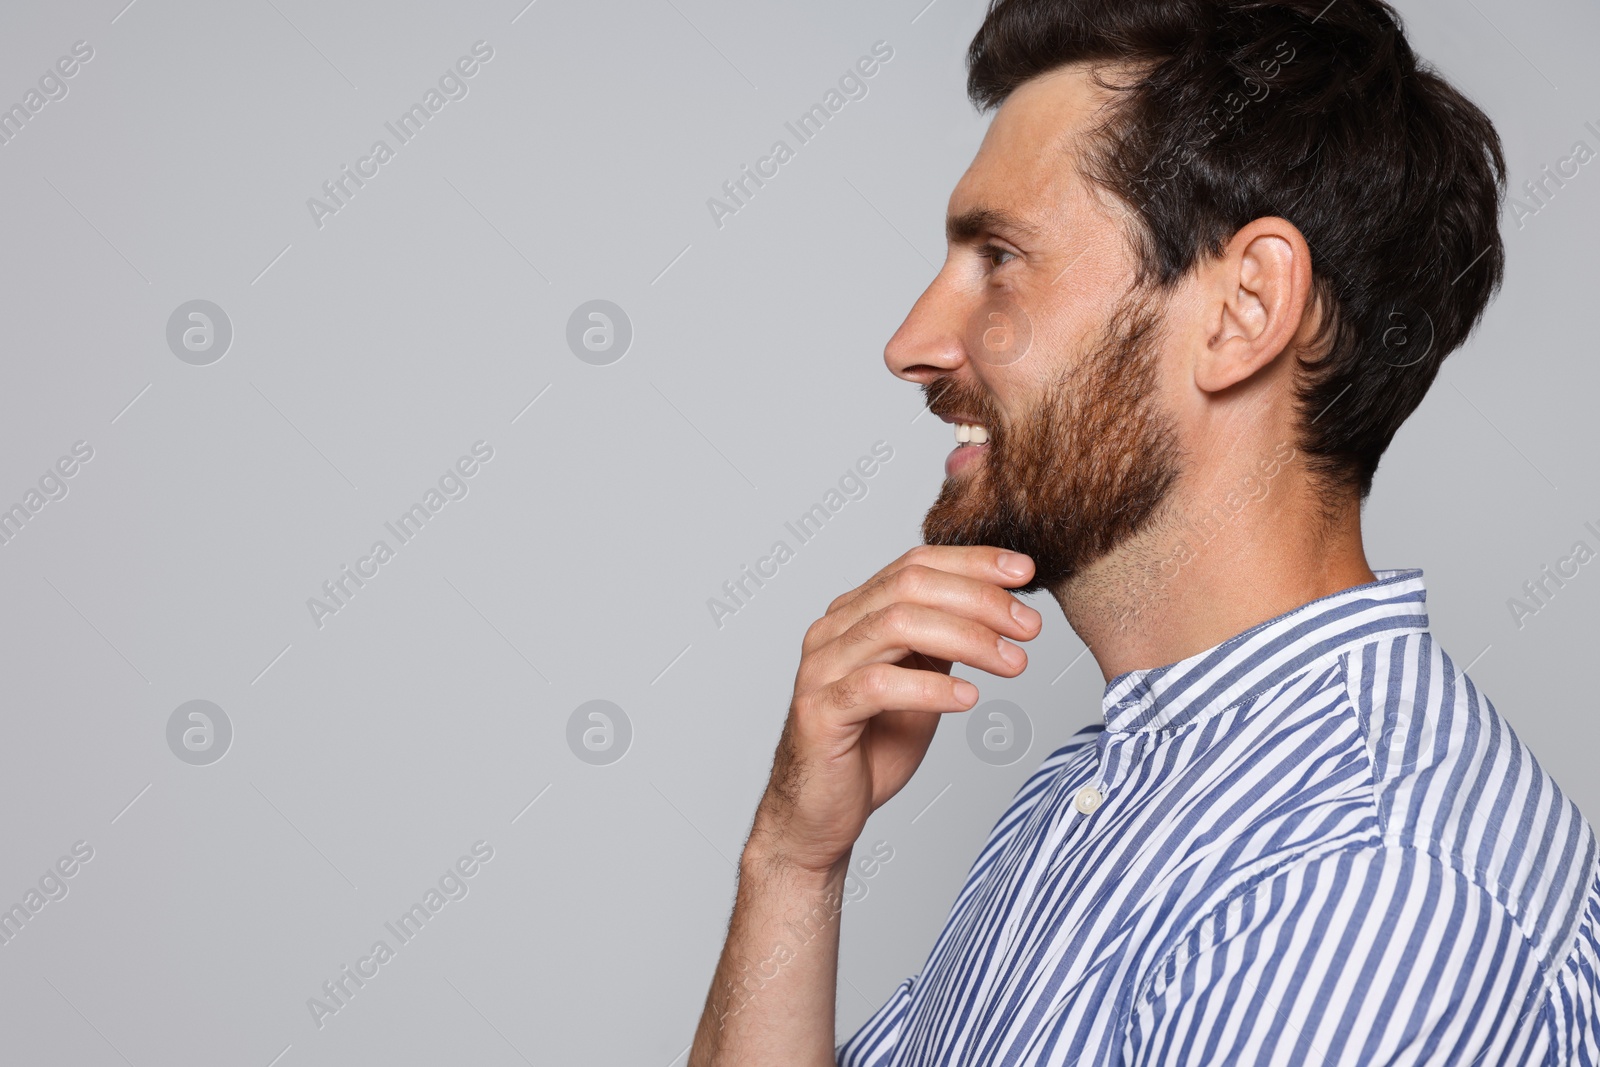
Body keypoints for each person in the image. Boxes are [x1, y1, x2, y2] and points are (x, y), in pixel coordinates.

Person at [688, 1, 1600, 1063]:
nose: (913, 344)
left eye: (1000, 256)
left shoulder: (1361, 876)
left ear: (1243, 308)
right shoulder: (1109, 785)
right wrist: (794, 858)